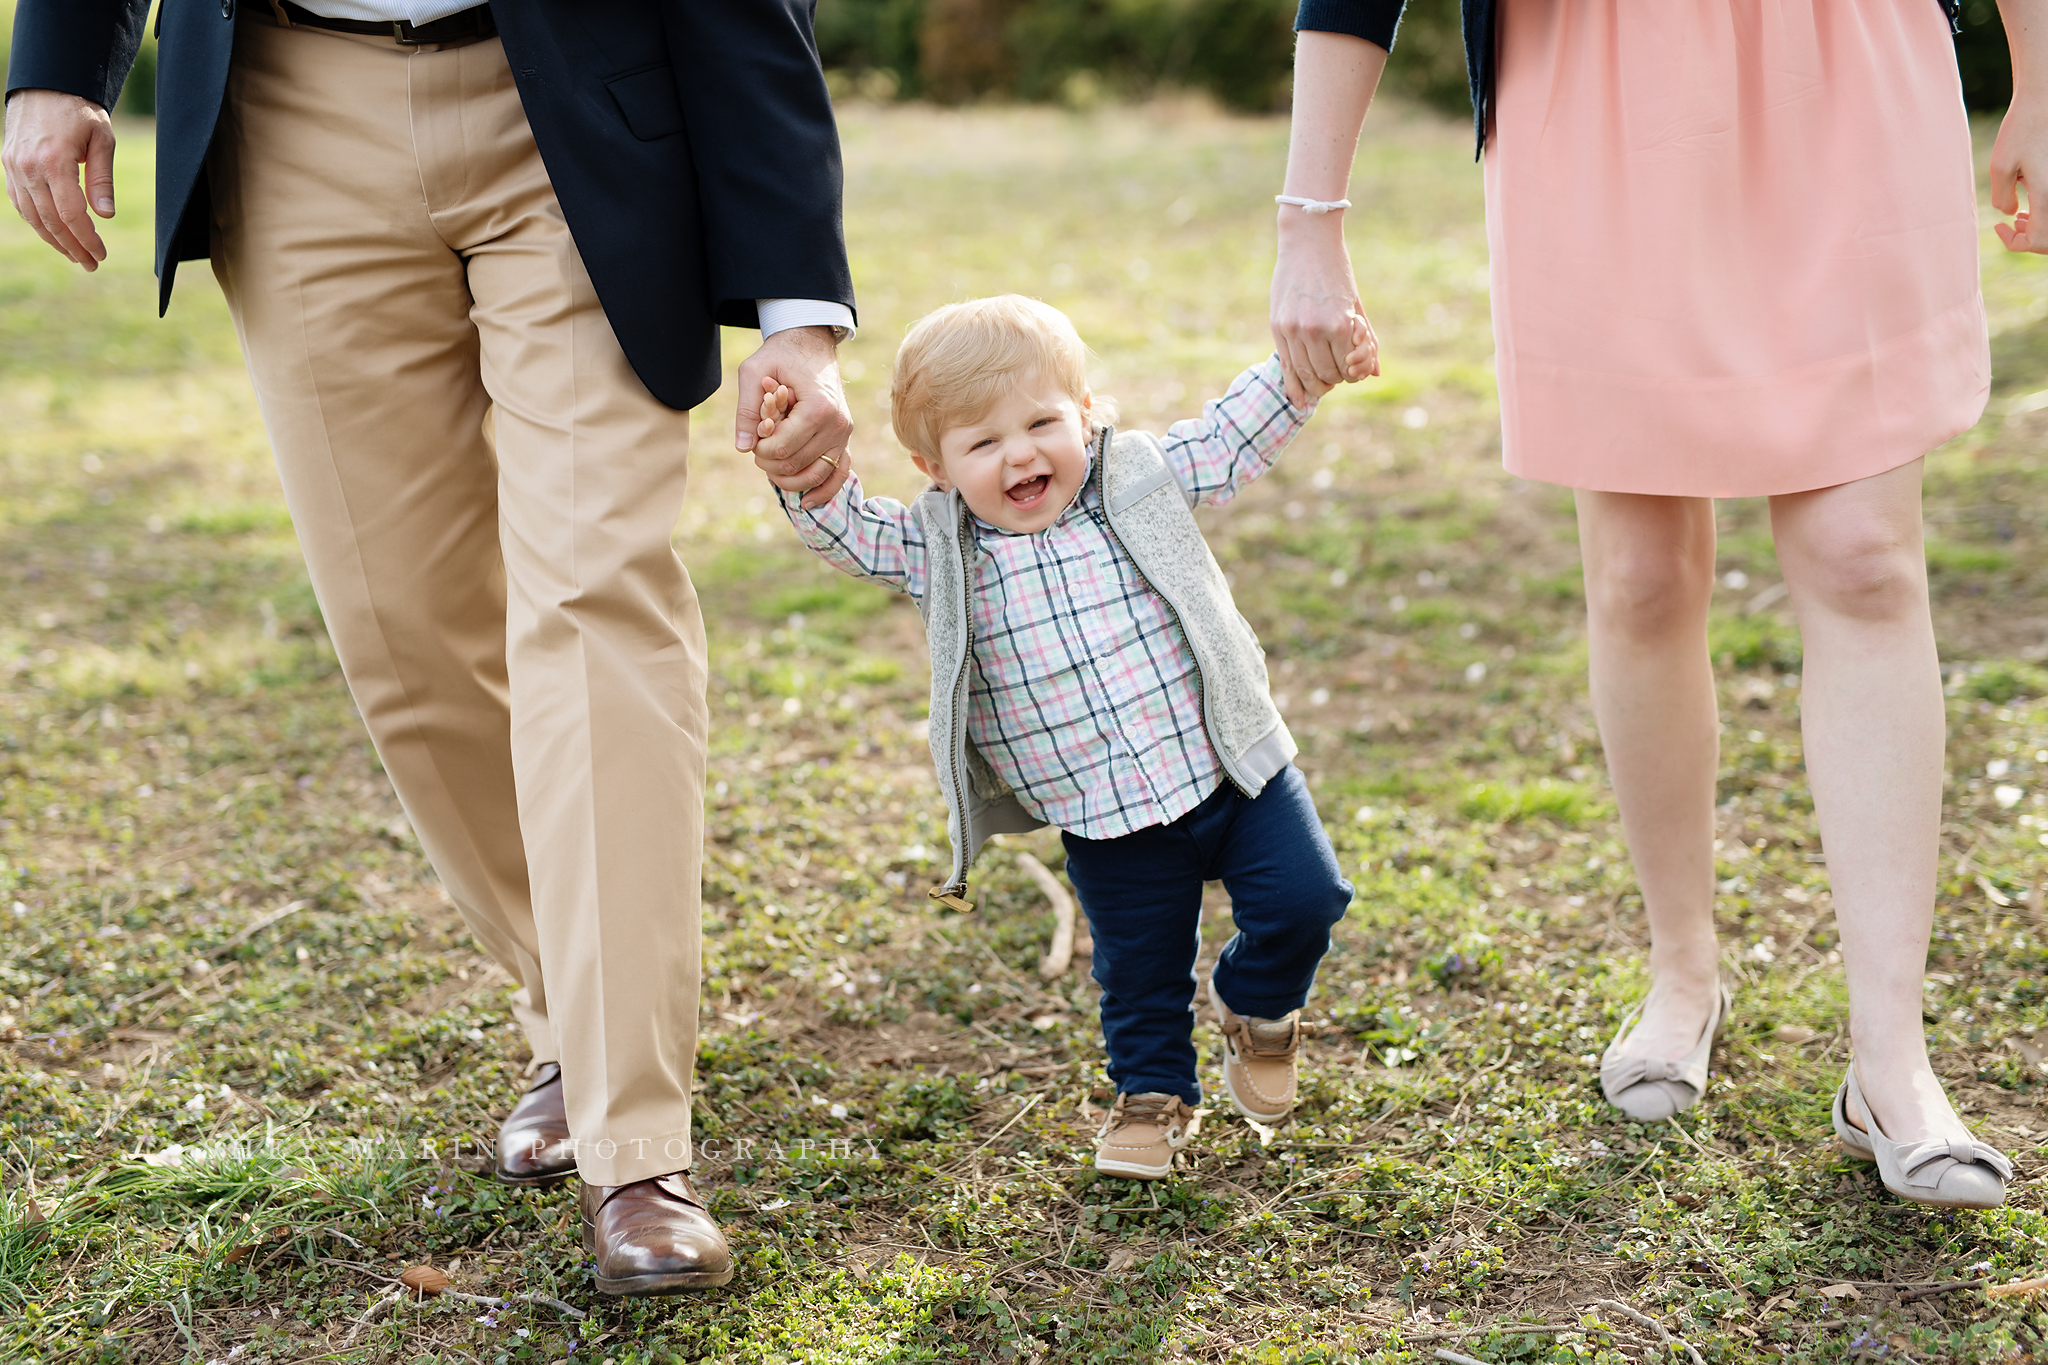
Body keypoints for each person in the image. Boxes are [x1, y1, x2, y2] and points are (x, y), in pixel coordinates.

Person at [4, 0, 858, 1291]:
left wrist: (800, 309)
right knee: (399, 632)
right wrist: (59, 64)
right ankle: (571, 1005)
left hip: (576, 100)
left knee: (594, 592)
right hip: (291, 105)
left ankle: (637, 1148)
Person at [1272, 0, 2048, 1209]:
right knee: (1638, 579)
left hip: (1846, 66)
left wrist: (2040, 68)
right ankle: (1682, 972)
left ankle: (1889, 1058)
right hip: (1596, 87)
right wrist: (1307, 217)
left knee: (1863, 560)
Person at [755, 295, 1364, 1178]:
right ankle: (1152, 1095)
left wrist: (1307, 372)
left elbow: (1230, 437)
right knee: (1139, 973)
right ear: (935, 466)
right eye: (983, 443)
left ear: (1084, 414)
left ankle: (1258, 1005)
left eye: (1042, 422)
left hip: (1234, 768)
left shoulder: (1136, 479)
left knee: (1308, 899)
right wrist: (803, 474)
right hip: (1103, 812)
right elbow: (847, 531)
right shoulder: (939, 548)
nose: (1022, 453)